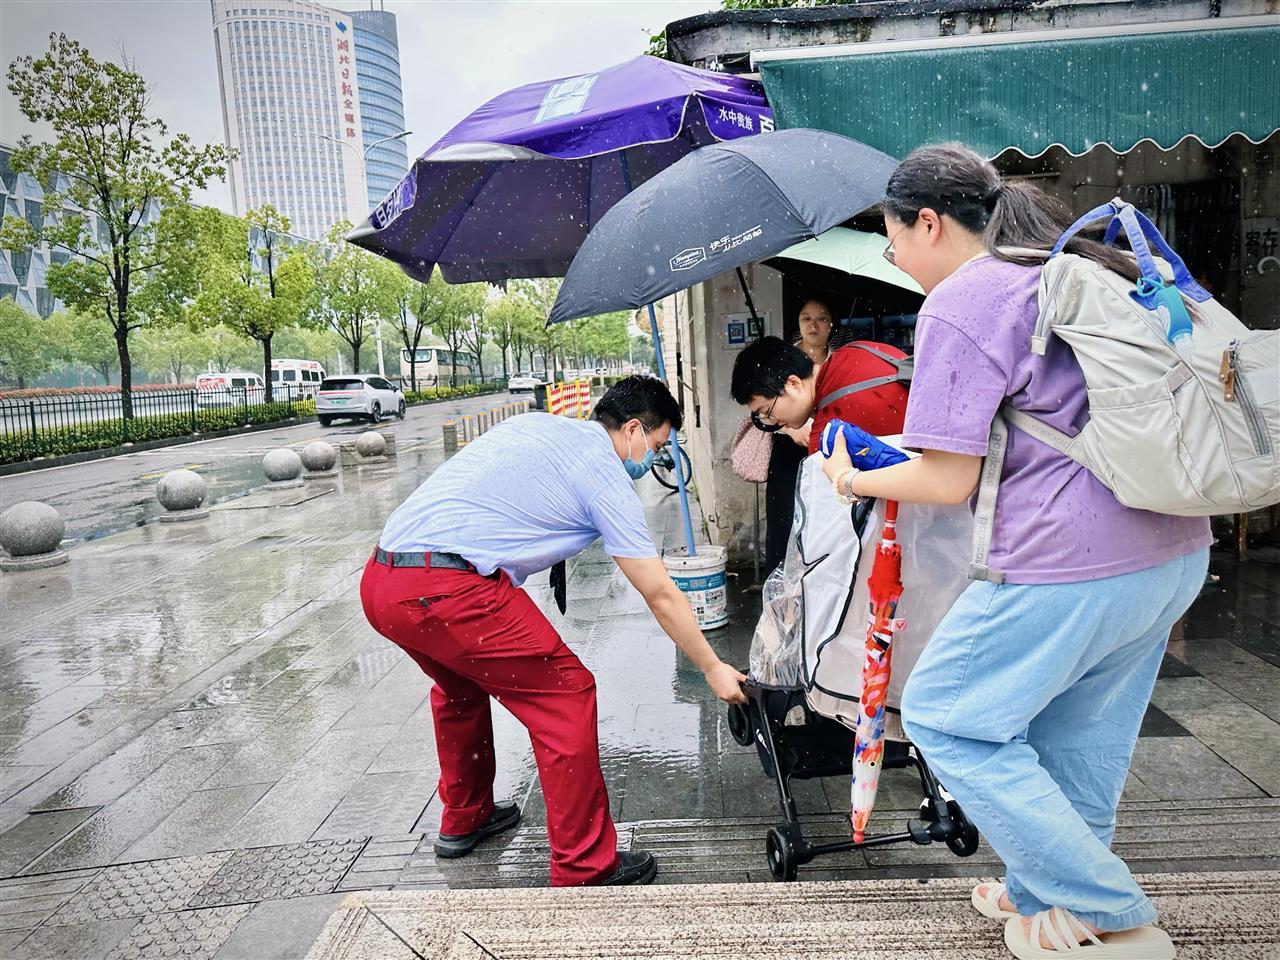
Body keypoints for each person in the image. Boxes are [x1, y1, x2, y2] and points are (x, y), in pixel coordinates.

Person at [821, 143, 1210, 959]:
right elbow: (1027, 425)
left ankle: (1111, 907)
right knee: (1079, 737)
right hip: (1173, 547)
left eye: (894, 239)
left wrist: (855, 482)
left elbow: (949, 480)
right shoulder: (1065, 268)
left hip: (1068, 563)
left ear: (927, 222)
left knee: (945, 717)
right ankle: (1045, 896)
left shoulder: (962, 300)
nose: (894, 256)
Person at [360, 376, 747, 888]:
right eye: (655, 446)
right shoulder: (604, 472)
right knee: (566, 693)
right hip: (447, 589)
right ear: (633, 429)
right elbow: (659, 592)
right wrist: (712, 666)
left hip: (383, 582)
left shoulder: (537, 427)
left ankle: (466, 816)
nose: (651, 461)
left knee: (458, 688)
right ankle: (584, 864)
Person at [732, 332, 912, 566]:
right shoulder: (860, 349)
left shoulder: (828, 433)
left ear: (794, 383)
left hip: (925, 519)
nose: (773, 421)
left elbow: (828, 535)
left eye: (768, 411)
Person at [758, 298, 834, 572]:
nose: (814, 325)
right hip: (788, 454)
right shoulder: (782, 361)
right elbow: (761, 410)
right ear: (798, 323)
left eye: (821, 318)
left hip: (827, 452)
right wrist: (790, 427)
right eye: (806, 318)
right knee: (784, 522)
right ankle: (780, 588)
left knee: (823, 522)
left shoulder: (838, 361)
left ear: (831, 324)